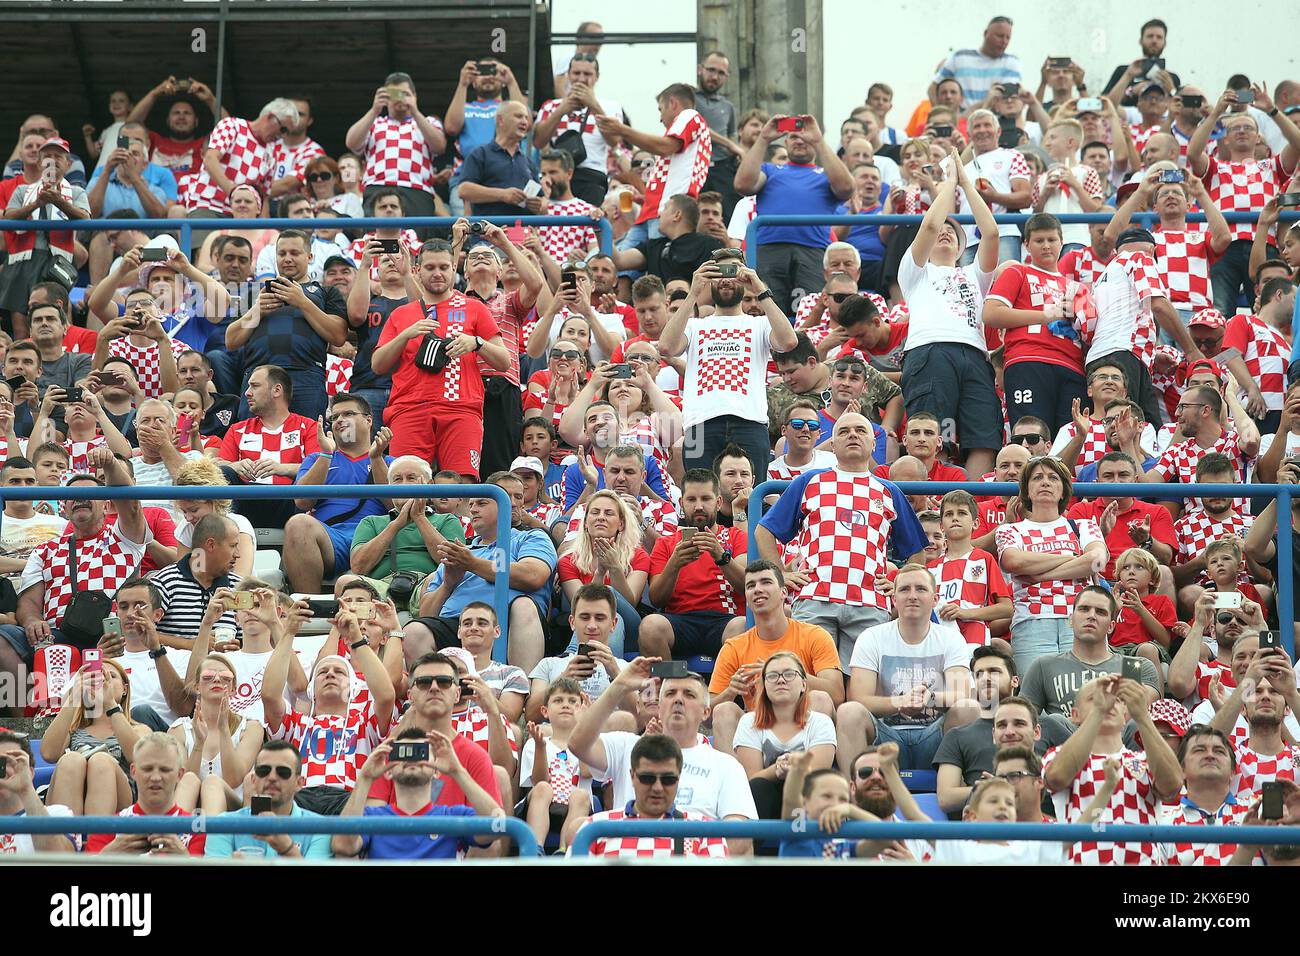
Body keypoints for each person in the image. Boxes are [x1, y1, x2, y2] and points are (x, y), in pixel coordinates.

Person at [757, 413, 927, 670]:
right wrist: (780, 574)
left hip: (870, 602)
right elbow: (764, 531)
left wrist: (898, 582)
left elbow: (917, 552)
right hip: (815, 598)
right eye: (844, 431)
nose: (853, 435)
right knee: (810, 681)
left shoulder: (889, 491)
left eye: (861, 430)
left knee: (863, 684)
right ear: (832, 445)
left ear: (873, 445)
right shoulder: (808, 481)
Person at [570, 656, 757, 851]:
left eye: (689, 695)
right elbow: (578, 744)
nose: (678, 699)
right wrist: (620, 685)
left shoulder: (726, 765)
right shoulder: (628, 746)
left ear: (706, 712)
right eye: (670, 693)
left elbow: (739, 840)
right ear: (658, 708)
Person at [0, 449, 147, 693]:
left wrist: (110, 463)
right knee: (2, 640)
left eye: (90, 493)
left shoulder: (125, 540)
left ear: (107, 504)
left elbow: (130, 504)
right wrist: (33, 621)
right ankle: (26, 719)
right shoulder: (45, 550)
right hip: (56, 635)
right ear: (64, 508)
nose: (80, 498)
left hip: (111, 633)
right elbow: (28, 602)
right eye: (72, 495)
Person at [899, 149, 1002, 479]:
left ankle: (969, 504)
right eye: (942, 228)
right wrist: (949, 184)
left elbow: (992, 233)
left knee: (983, 432)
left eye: (953, 232)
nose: (944, 231)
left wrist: (965, 184)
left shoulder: (975, 274)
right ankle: (927, 501)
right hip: (930, 350)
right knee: (929, 433)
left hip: (974, 355)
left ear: (961, 247)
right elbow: (929, 223)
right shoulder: (915, 272)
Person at [371, 239, 509, 476]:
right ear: (417, 270)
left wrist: (477, 343)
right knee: (406, 486)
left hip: (461, 409)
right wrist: (405, 335)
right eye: (430, 267)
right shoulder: (402, 314)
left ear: (453, 270)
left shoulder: (473, 308)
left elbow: (503, 361)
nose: (437, 273)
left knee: (462, 486)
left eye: (444, 267)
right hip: (409, 409)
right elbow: (378, 365)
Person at [659, 255, 797, 476]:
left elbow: (789, 342)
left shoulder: (759, 324)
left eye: (733, 271)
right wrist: (693, 293)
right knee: (701, 500)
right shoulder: (694, 325)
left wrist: (760, 289)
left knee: (749, 497)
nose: (725, 279)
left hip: (749, 423)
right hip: (699, 425)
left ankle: (740, 515)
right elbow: (665, 347)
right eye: (718, 272)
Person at [408, 473, 557, 672]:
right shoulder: (460, 552)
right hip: (458, 624)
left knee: (524, 605)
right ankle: (433, 693)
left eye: (482, 503)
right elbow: (426, 614)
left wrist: (472, 564)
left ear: (503, 504)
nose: (473, 509)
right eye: (471, 504)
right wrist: (448, 585)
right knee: (414, 631)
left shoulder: (530, 538)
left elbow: (532, 575)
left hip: (507, 623)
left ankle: (520, 693)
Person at [260, 598, 396, 815]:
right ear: (312, 690)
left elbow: (387, 695)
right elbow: (269, 695)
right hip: (297, 800)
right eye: (323, 672)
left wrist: (355, 638)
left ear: (353, 689)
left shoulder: (363, 724)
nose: (331, 673)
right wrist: (289, 632)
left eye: (339, 672)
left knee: (374, 807)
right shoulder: (296, 723)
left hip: (348, 799)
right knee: (257, 797)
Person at [837, 564, 974, 774]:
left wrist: (929, 698)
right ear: (894, 599)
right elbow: (858, 699)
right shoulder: (872, 637)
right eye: (904, 589)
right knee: (848, 712)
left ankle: (964, 792)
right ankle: (851, 795)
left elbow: (962, 695)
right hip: (885, 735)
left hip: (934, 735)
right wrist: (900, 702)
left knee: (969, 708)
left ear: (935, 598)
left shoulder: (950, 638)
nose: (912, 596)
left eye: (920, 589)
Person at [1043, 676, 1182, 865]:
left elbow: (1173, 786)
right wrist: (1099, 711)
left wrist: (1143, 716)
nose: (1107, 702)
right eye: (1095, 697)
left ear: (1126, 713)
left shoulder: (1145, 760)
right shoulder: (1057, 755)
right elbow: (1057, 778)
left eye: (1116, 699)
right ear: (1075, 715)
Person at [1186, 85, 1300, 314]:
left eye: (1248, 127)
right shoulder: (1216, 168)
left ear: (1258, 137)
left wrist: (1272, 110)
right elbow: (1193, 154)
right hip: (1224, 248)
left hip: (1263, 245)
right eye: (1235, 128)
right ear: (1225, 139)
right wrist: (1217, 112)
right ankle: (1223, 350)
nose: (1241, 131)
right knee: (1220, 311)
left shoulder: (1271, 167)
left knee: (1266, 312)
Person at [709, 561, 843, 751]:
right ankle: (735, 780)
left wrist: (780, 672)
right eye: (750, 585)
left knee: (820, 698)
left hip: (804, 725)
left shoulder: (814, 635)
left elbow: (836, 694)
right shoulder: (734, 647)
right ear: (746, 598)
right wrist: (729, 692)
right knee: (724, 710)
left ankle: (811, 776)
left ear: (783, 593)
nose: (757, 589)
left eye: (765, 582)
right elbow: (706, 717)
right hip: (759, 731)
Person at [994, 455, 1107, 674]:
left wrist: (1039, 575)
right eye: (1037, 478)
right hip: (1031, 622)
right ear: (1026, 490)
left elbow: (1097, 560)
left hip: (1079, 620)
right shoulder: (1010, 530)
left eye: (1053, 478)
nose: (1045, 482)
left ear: (1064, 490)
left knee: (1084, 699)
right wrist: (1074, 557)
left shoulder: (1083, 526)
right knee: (1036, 701)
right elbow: (1013, 561)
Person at [735, 113, 854, 314]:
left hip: (813, 250)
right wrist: (764, 138)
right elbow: (742, 185)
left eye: (804, 136)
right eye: (793, 136)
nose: (800, 140)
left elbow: (846, 188)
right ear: (786, 141)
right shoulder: (771, 169)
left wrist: (818, 141)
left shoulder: (826, 173)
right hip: (769, 250)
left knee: (808, 314)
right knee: (768, 312)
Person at [226, 229, 350, 422]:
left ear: (309, 256)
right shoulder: (253, 293)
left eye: (295, 253)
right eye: (282, 254)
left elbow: (338, 336)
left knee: (307, 443)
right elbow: (231, 341)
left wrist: (302, 302)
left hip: (306, 375)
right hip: (258, 375)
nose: (288, 259)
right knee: (251, 442)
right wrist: (256, 310)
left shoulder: (326, 292)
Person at [334, 726, 503, 860]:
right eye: (403, 752)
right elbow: (343, 845)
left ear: (437, 771)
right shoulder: (372, 817)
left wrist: (457, 771)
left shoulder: (452, 817)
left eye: (420, 752)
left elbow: (497, 827)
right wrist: (365, 778)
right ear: (388, 771)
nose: (411, 759)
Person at [283, 393, 392, 593]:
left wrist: (376, 458)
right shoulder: (317, 458)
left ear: (368, 420)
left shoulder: (390, 462)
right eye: (334, 417)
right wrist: (326, 454)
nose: (340, 420)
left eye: (348, 414)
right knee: (298, 523)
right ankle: (308, 611)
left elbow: (395, 506)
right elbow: (302, 501)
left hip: (377, 539)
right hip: (331, 538)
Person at [934, 663, 1073, 815]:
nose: (1009, 732)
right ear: (993, 735)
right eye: (1002, 725)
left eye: (1019, 724)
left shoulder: (1057, 777)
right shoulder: (982, 793)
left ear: (1037, 732)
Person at [641, 469, 748, 662]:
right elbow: (657, 599)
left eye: (706, 499)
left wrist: (721, 556)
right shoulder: (665, 544)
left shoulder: (736, 536)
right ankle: (669, 686)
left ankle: (730, 691)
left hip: (725, 620)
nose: (699, 506)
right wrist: (674, 564)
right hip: (680, 621)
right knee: (650, 626)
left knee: (742, 627)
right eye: (691, 500)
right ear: (681, 504)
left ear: (718, 503)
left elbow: (745, 587)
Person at [578, 733, 729, 859]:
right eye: (647, 778)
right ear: (632, 776)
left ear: (679, 778)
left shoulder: (705, 831)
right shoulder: (594, 828)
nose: (657, 788)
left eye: (668, 779)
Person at [597, 84, 712, 246]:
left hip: (666, 212)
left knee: (654, 265)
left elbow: (664, 147)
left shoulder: (689, 115)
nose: (660, 118)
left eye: (660, 109)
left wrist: (622, 130)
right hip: (653, 211)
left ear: (672, 103)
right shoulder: (691, 131)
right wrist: (646, 199)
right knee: (625, 264)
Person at [1019, 587, 1160, 717]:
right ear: (1071, 620)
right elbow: (1021, 719)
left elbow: (1137, 717)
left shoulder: (1135, 666)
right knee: (1055, 721)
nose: (1091, 616)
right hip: (1065, 741)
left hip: (1118, 741)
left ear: (1111, 626)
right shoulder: (1044, 666)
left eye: (1101, 612)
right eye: (1084, 609)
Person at [732, 651, 838, 818]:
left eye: (789, 674)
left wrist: (794, 771)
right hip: (766, 800)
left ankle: (800, 842)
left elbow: (817, 776)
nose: (781, 680)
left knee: (809, 789)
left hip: (803, 802)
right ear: (764, 685)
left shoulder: (821, 722)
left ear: (803, 684)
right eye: (772, 676)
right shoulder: (748, 722)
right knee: (758, 786)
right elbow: (750, 779)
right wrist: (777, 769)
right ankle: (751, 843)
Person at [41, 657, 151, 816]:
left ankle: (97, 839)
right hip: (72, 793)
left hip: (121, 799)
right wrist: (74, 697)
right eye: (95, 676)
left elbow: (142, 760)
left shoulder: (139, 728)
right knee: (71, 760)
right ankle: (66, 839)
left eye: (110, 676)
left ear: (125, 689)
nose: (102, 681)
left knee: (101, 760)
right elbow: (48, 754)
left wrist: (110, 705)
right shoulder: (74, 728)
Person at [215, 364, 318, 528]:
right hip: (246, 500)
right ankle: (229, 535)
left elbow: (320, 470)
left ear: (277, 390)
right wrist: (235, 466)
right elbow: (218, 469)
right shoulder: (237, 429)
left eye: (254, 386)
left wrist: (282, 469)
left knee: (306, 483)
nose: (247, 392)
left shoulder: (309, 426)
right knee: (224, 473)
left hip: (290, 501)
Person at [0, 138, 90, 322]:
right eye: (47, 156)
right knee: (21, 326)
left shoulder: (76, 192)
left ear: (68, 163)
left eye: (58, 156)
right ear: (40, 163)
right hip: (22, 260)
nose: (53, 159)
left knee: (61, 318)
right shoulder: (22, 191)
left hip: (57, 261)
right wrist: (36, 204)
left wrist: (60, 202)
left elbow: (85, 219)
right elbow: (8, 218)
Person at [348, 455, 465, 595]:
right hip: (380, 587)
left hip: (429, 585)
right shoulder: (371, 522)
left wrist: (419, 517)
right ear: (389, 487)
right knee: (345, 581)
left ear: (429, 485)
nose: (404, 484)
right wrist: (396, 524)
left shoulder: (447, 520)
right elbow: (358, 567)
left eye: (411, 478)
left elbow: (452, 564)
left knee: (435, 582)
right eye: (397, 479)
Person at [344, 72, 447, 224]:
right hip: (377, 188)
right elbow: (351, 143)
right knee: (378, 242)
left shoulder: (428, 122)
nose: (399, 98)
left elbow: (439, 146)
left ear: (414, 96)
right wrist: (374, 110)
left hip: (417, 191)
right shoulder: (375, 122)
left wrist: (415, 111)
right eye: (394, 94)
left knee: (415, 241)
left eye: (405, 93)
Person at [202, 739, 331, 859]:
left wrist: (288, 849)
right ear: (253, 780)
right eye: (264, 770)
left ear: (299, 783)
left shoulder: (320, 828)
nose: (272, 777)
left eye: (283, 772)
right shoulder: (223, 824)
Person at [84, 731, 206, 856]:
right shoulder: (107, 827)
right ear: (133, 771)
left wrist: (182, 858)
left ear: (179, 775)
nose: (156, 777)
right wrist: (111, 855)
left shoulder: (195, 829)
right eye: (148, 769)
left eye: (165, 770)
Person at [556, 491, 647, 655]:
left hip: (632, 628)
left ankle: (570, 655)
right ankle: (606, 675)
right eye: (595, 512)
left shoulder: (638, 555)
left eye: (609, 513)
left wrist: (614, 568)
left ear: (621, 524)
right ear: (585, 522)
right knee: (609, 620)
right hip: (588, 625)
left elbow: (630, 602)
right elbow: (581, 606)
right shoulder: (568, 561)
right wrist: (599, 574)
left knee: (608, 595)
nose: (601, 517)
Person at [178, 100, 297, 215]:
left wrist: (263, 229)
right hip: (209, 206)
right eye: (283, 129)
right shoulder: (232, 126)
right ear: (270, 117)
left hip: (240, 216)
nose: (282, 136)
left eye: (287, 133)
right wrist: (233, 192)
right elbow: (210, 159)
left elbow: (264, 196)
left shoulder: (272, 153)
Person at [533, 54, 622, 207]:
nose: (581, 79)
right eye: (576, 73)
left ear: (596, 77)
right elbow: (539, 142)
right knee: (557, 228)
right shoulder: (551, 106)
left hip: (591, 177)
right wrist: (561, 110)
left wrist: (593, 106)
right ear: (568, 75)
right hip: (557, 177)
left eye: (587, 74)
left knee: (589, 228)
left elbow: (614, 141)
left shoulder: (610, 106)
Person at [444, 57, 527, 213]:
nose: (488, 76)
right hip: (467, 178)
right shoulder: (465, 107)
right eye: (481, 72)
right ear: (474, 81)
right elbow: (451, 128)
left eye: (493, 72)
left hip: (507, 177)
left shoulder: (510, 111)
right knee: (466, 232)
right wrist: (463, 84)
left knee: (507, 233)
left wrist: (511, 81)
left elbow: (525, 120)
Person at [1160, 725, 1250, 865]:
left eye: (1219, 751)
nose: (1210, 755)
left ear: (1233, 772)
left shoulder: (1257, 811)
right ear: (1181, 769)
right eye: (1199, 750)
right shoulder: (1163, 824)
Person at [457, 102, 541, 219]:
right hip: (489, 233)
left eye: (526, 118)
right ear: (500, 120)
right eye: (518, 116)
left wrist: (539, 205)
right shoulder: (480, 154)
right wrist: (502, 195)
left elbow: (544, 200)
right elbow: (464, 190)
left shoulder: (528, 162)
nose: (524, 122)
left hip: (523, 234)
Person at [0, 731, 75, 855]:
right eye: (0, 764)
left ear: (30, 772)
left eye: (13, 762)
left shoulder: (56, 814)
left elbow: (59, 860)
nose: (5, 770)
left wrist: (26, 789)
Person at [928, 16, 1020, 107]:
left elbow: (1010, 99)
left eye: (1008, 38)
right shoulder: (961, 56)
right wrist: (941, 114)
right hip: (962, 119)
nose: (1004, 41)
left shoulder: (1011, 63)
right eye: (1000, 36)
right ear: (985, 33)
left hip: (995, 120)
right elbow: (933, 88)